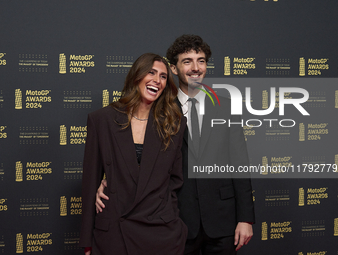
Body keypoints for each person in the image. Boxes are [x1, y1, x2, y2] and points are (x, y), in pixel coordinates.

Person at [96, 35, 255, 254]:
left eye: (201, 60)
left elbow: (240, 164)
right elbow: (135, 156)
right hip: (175, 220)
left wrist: (245, 218)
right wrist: (108, 182)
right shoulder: (158, 108)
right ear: (173, 68)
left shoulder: (227, 108)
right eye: (187, 61)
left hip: (222, 220)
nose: (195, 68)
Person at [79, 53, 188, 255]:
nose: (157, 80)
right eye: (151, 72)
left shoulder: (174, 124)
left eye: (163, 76)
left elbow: (175, 180)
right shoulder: (101, 120)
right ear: (137, 76)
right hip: (114, 234)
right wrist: (87, 243)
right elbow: (89, 184)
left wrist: (169, 215)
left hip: (160, 234)